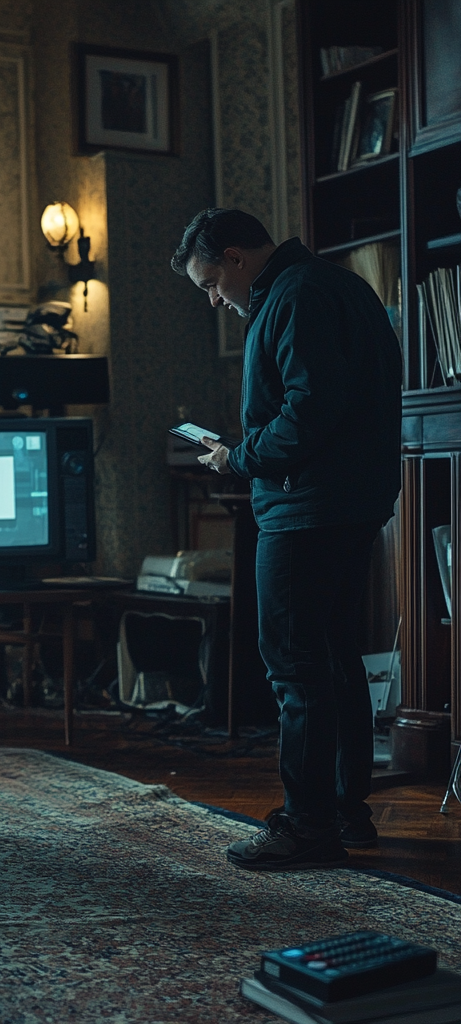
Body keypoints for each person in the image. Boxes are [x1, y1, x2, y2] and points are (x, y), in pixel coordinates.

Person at [170, 209, 401, 871]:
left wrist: (236, 458)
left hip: (305, 510)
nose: (215, 298)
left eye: (212, 282)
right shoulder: (341, 285)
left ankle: (306, 828)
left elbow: (310, 410)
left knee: (296, 668)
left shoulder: (294, 296)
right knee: (334, 660)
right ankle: (343, 810)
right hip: (349, 504)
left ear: (237, 257)